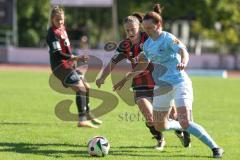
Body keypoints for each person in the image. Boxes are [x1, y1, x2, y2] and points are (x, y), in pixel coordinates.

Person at [113, 4, 224, 158]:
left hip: (180, 83)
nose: (147, 32)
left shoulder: (168, 38)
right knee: (160, 126)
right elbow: (142, 64)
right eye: (145, 29)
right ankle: (181, 127)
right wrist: (125, 79)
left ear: (158, 25)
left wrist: (183, 62)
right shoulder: (147, 44)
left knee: (185, 121)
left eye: (150, 28)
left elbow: (182, 50)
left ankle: (215, 147)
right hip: (162, 87)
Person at [96, 13, 189, 150]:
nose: (130, 32)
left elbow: (170, 45)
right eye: (127, 30)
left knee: (173, 115)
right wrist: (102, 77)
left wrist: (180, 60)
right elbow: (112, 62)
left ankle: (180, 130)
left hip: (159, 81)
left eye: (133, 29)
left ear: (139, 27)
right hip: (139, 83)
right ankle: (159, 139)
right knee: (149, 117)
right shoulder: (125, 45)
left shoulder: (149, 38)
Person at [46, 6, 102, 128]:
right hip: (60, 67)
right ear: (52, 19)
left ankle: (86, 113)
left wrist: (73, 60)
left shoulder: (62, 29)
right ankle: (82, 120)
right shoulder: (52, 33)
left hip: (69, 65)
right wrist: (75, 57)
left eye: (61, 19)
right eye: (57, 20)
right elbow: (57, 53)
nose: (60, 22)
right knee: (80, 89)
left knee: (86, 87)